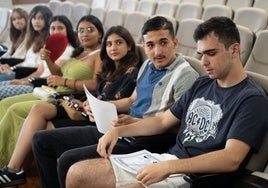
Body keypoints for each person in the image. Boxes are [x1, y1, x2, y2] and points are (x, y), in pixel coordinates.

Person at [63, 16, 268, 188]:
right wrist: (117, 131)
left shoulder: (252, 99)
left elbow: (231, 158)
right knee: (77, 173)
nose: (203, 62)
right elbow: (162, 121)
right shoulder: (203, 83)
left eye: (211, 54)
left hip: (195, 176)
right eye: (201, 54)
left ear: (234, 50)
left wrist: (170, 167)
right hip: (168, 161)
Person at [31, 16, 199, 188]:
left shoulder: (185, 75)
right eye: (150, 45)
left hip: (146, 139)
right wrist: (100, 107)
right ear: (145, 45)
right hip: (121, 128)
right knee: (41, 140)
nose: (157, 51)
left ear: (175, 42)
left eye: (163, 43)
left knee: (67, 160)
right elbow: (132, 100)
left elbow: (181, 127)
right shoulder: (148, 64)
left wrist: (136, 123)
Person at [0, 25, 141, 187]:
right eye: (109, 44)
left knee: (42, 131)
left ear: (129, 46)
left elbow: (124, 103)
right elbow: (98, 94)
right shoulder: (109, 69)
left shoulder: (132, 73)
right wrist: (84, 103)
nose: (113, 47)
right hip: (85, 110)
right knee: (39, 117)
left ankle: (16, 171)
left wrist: (94, 105)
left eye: (118, 43)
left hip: (100, 122)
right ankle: (15, 170)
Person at [0, 15, 104, 168]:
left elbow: (95, 84)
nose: (85, 33)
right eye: (81, 30)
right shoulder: (79, 52)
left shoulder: (100, 54)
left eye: (90, 30)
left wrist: (65, 82)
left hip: (64, 98)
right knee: (5, 103)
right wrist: (49, 61)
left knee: (15, 110)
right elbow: (60, 73)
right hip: (50, 91)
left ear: (100, 33)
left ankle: (8, 163)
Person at [0, 14, 78, 100]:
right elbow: (39, 72)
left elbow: (55, 75)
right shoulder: (47, 47)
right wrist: (22, 81)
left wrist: (25, 83)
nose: (56, 32)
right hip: (34, 81)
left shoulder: (69, 50)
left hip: (43, 86)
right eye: (53, 28)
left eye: (60, 28)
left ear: (68, 30)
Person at [0, 5, 52, 85]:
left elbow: (38, 69)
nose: (36, 21)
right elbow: (25, 62)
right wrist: (10, 68)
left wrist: (15, 74)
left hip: (27, 75)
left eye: (41, 18)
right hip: (21, 73)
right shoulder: (34, 40)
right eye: (34, 18)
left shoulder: (48, 42)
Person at [0, 8, 29, 81]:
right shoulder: (16, 37)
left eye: (20, 18)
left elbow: (24, 59)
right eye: (14, 19)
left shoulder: (29, 36)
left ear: (26, 18)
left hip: (20, 71)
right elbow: (8, 55)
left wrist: (9, 69)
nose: (17, 21)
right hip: (9, 67)